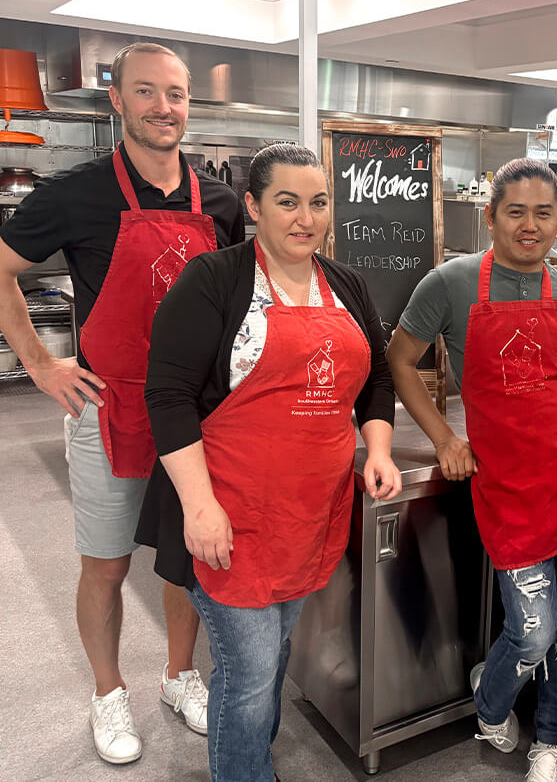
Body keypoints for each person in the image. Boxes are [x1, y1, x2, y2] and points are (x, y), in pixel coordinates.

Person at [0, 42, 243, 763]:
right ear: (117, 101)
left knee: (184, 557)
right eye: (146, 92)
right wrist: (41, 366)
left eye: (175, 94)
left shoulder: (221, 202)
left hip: (195, 417)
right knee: (105, 564)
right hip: (110, 408)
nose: (163, 107)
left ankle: (178, 676)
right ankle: (108, 694)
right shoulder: (75, 194)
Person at [134, 143, 401, 782]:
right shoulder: (214, 281)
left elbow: (378, 378)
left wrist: (380, 450)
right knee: (250, 674)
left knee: (275, 653)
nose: (305, 218)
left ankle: (252, 759)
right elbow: (167, 397)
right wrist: (199, 508)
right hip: (229, 513)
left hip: (309, 513)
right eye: (287, 202)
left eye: (318, 202)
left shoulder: (347, 283)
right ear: (253, 206)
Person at [386, 157, 557, 782]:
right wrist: (444, 439)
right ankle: (490, 703)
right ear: (490, 217)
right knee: (534, 633)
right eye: (515, 211)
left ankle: (552, 740)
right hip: (511, 487)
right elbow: (400, 361)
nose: (530, 225)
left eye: (544, 213)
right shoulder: (451, 283)